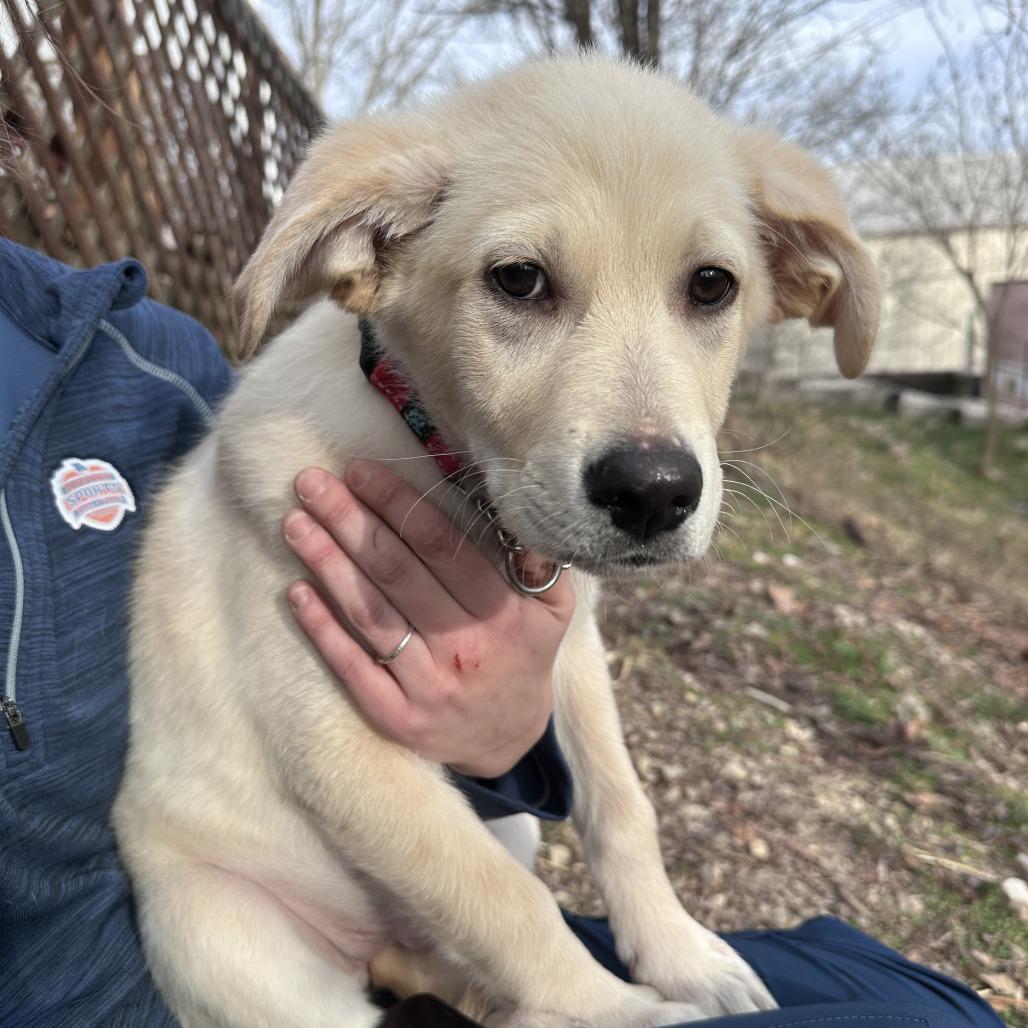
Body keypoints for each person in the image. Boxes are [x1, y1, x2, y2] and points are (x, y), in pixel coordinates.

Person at [0, 238, 1002, 1028]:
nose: (649, 441)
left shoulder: (138, 351)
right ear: (376, 246)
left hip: (437, 884)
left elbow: (560, 638)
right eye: (521, 278)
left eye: (706, 285)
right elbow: (327, 755)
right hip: (246, 894)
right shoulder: (295, 441)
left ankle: (463, 976)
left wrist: (591, 832)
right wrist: (574, 988)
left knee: (927, 1000)